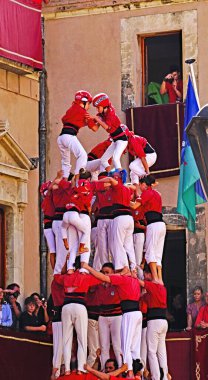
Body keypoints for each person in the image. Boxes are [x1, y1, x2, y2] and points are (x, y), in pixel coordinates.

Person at [83, 262, 143, 378]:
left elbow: (104, 277)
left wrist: (87, 267)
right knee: (132, 346)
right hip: (132, 313)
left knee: (123, 346)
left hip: (125, 314)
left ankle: (128, 372)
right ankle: (136, 372)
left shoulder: (122, 280)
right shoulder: (134, 280)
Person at [53, 259, 102, 375]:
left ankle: (68, 369)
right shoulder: (86, 277)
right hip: (80, 306)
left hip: (66, 307)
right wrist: (90, 269)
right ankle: (80, 368)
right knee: (82, 339)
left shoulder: (66, 277)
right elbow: (101, 278)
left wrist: (65, 261)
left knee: (66, 339)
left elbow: (56, 276)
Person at [57, 90, 98, 183]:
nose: (88, 107)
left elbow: (64, 119)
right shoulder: (84, 113)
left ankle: (64, 180)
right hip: (70, 136)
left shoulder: (71, 109)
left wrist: (82, 122)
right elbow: (95, 128)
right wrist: (98, 119)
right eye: (88, 104)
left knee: (66, 162)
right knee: (82, 155)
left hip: (61, 137)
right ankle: (77, 179)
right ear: (83, 102)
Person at [131, 175, 166, 282]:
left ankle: (155, 278)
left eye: (141, 184)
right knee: (158, 253)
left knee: (150, 251)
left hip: (153, 225)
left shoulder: (147, 193)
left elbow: (134, 206)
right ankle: (160, 279)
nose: (140, 187)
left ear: (144, 185)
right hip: (161, 225)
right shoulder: (156, 194)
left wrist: (122, 200)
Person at [138, 265, 171, 380]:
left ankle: (156, 377)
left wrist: (131, 275)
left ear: (149, 274)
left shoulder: (153, 285)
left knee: (151, 351)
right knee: (161, 351)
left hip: (154, 321)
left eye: (145, 274)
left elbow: (140, 283)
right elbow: (145, 297)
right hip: (163, 322)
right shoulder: (162, 288)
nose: (144, 276)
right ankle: (164, 376)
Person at [93, 93, 128, 172]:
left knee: (116, 159)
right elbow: (95, 127)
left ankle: (121, 179)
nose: (97, 109)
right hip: (115, 140)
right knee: (103, 160)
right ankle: (111, 174)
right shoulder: (103, 113)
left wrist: (97, 119)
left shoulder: (110, 113)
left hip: (122, 140)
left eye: (98, 107)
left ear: (104, 105)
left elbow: (106, 127)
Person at [97, 263, 122, 370]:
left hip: (116, 316)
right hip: (103, 316)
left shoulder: (117, 283)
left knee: (117, 345)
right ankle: (103, 370)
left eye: (107, 272)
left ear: (113, 273)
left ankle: (121, 370)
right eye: (103, 272)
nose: (104, 274)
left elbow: (125, 273)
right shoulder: (98, 284)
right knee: (104, 346)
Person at [40, 180, 56, 269]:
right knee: (53, 250)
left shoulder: (45, 201)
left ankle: (55, 270)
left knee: (53, 250)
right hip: (50, 224)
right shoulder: (49, 198)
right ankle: (55, 270)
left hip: (48, 225)